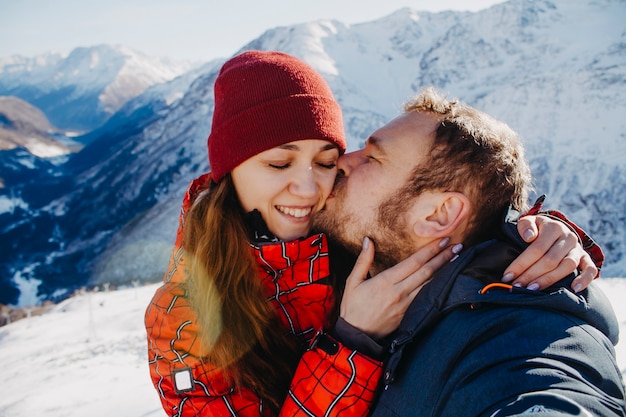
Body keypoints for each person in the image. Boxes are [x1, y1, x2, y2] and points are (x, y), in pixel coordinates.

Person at [144, 51, 603, 417]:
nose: (313, 185)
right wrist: (351, 345)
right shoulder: (184, 319)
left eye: (326, 159)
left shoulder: (346, 238)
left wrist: (534, 232)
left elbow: (545, 386)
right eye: (279, 163)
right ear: (230, 173)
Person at [313, 87, 625, 416]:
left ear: (439, 215)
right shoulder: (337, 268)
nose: (341, 161)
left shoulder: (520, 336)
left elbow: (550, 392)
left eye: (373, 157)